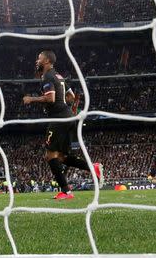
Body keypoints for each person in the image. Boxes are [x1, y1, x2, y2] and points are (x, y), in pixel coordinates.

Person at [23, 50, 103, 200]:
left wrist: (31, 99)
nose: (37, 61)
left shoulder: (47, 76)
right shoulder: (59, 76)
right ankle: (92, 168)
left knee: (49, 156)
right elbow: (71, 97)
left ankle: (66, 192)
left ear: (46, 61)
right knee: (60, 157)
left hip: (59, 119)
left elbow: (51, 99)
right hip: (67, 117)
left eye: (39, 58)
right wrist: (65, 107)